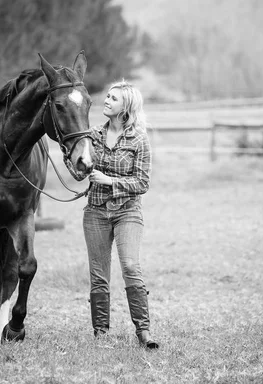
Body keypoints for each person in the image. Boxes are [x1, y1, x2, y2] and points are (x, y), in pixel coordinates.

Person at [83, 80, 159, 349]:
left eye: (113, 99)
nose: (106, 101)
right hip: (95, 211)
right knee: (99, 274)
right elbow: (79, 170)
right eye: (107, 96)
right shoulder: (93, 135)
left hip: (128, 212)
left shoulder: (139, 139)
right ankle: (100, 332)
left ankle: (143, 330)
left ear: (125, 106)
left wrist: (109, 180)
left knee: (130, 266)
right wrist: (78, 164)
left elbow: (143, 183)